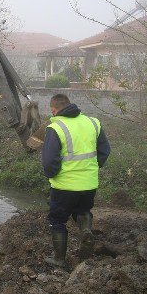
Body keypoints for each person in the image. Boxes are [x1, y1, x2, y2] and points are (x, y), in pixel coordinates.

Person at [41, 94, 110, 268]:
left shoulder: (55, 127)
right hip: (89, 183)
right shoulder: (93, 122)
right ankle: (86, 230)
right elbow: (105, 151)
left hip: (65, 185)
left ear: (54, 110)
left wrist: (51, 175)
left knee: (57, 220)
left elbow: (49, 161)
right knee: (83, 210)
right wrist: (91, 169)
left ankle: (59, 260)